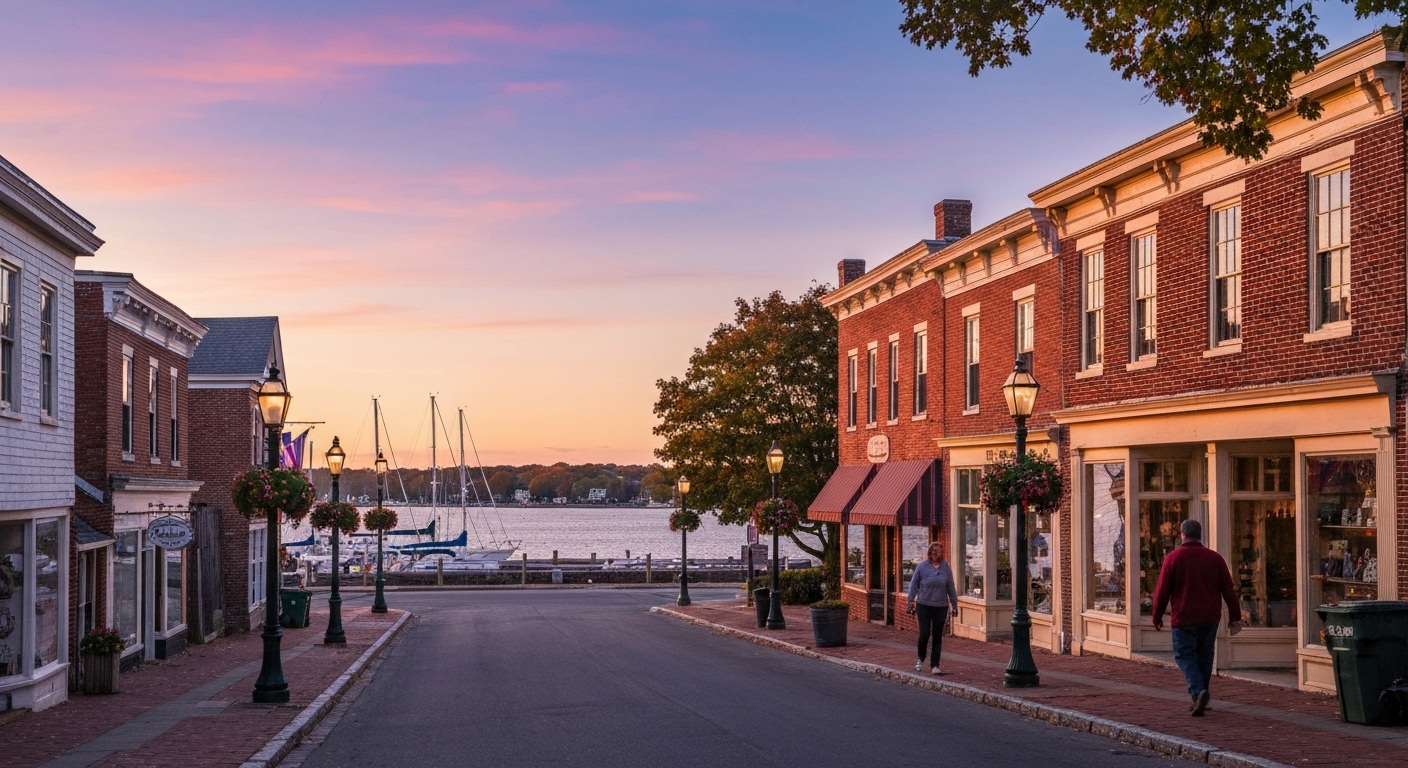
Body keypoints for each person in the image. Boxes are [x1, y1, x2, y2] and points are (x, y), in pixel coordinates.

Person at [1152, 519, 1242, 717]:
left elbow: (1162, 591)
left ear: (1182, 534)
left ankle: (1198, 691)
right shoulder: (1215, 558)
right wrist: (1235, 616)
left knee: (1184, 655)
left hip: (1183, 616)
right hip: (1210, 616)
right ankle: (1200, 696)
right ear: (1200, 535)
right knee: (1205, 655)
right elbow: (1229, 590)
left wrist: (1156, 615)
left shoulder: (1173, 558)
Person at [906, 541, 958, 675]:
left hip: (940, 606)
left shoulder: (946, 567)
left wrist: (954, 605)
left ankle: (935, 664)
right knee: (924, 634)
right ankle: (920, 659)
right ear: (930, 552)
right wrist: (911, 600)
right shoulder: (922, 567)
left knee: (937, 636)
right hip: (924, 604)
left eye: (939, 552)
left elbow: (950, 587)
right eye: (934, 551)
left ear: (942, 553)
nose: (936, 554)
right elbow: (914, 584)